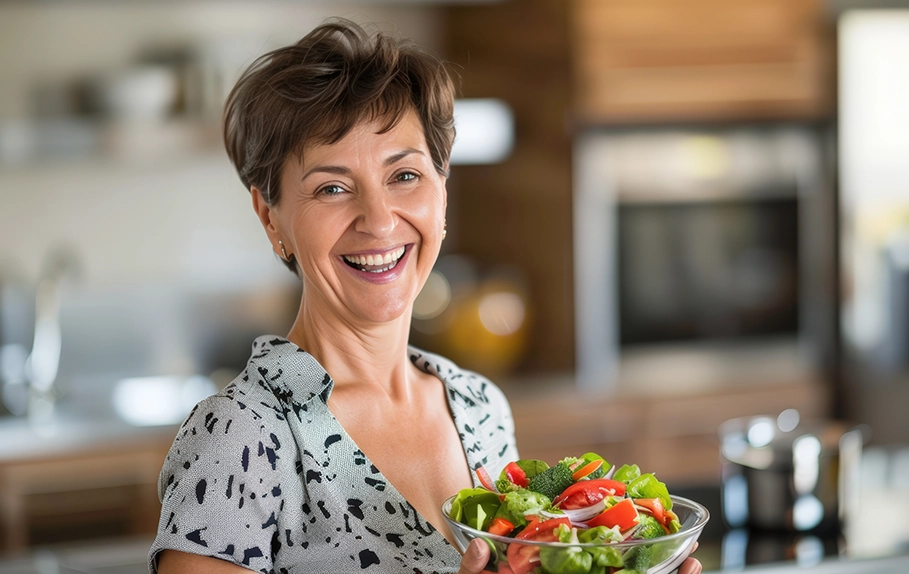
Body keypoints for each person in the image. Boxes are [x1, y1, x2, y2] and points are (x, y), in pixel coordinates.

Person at [149, 18, 701, 574]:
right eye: (332, 188)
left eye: (404, 176)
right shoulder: (240, 436)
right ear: (271, 217)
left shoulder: (479, 408)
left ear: (442, 191)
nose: (379, 220)